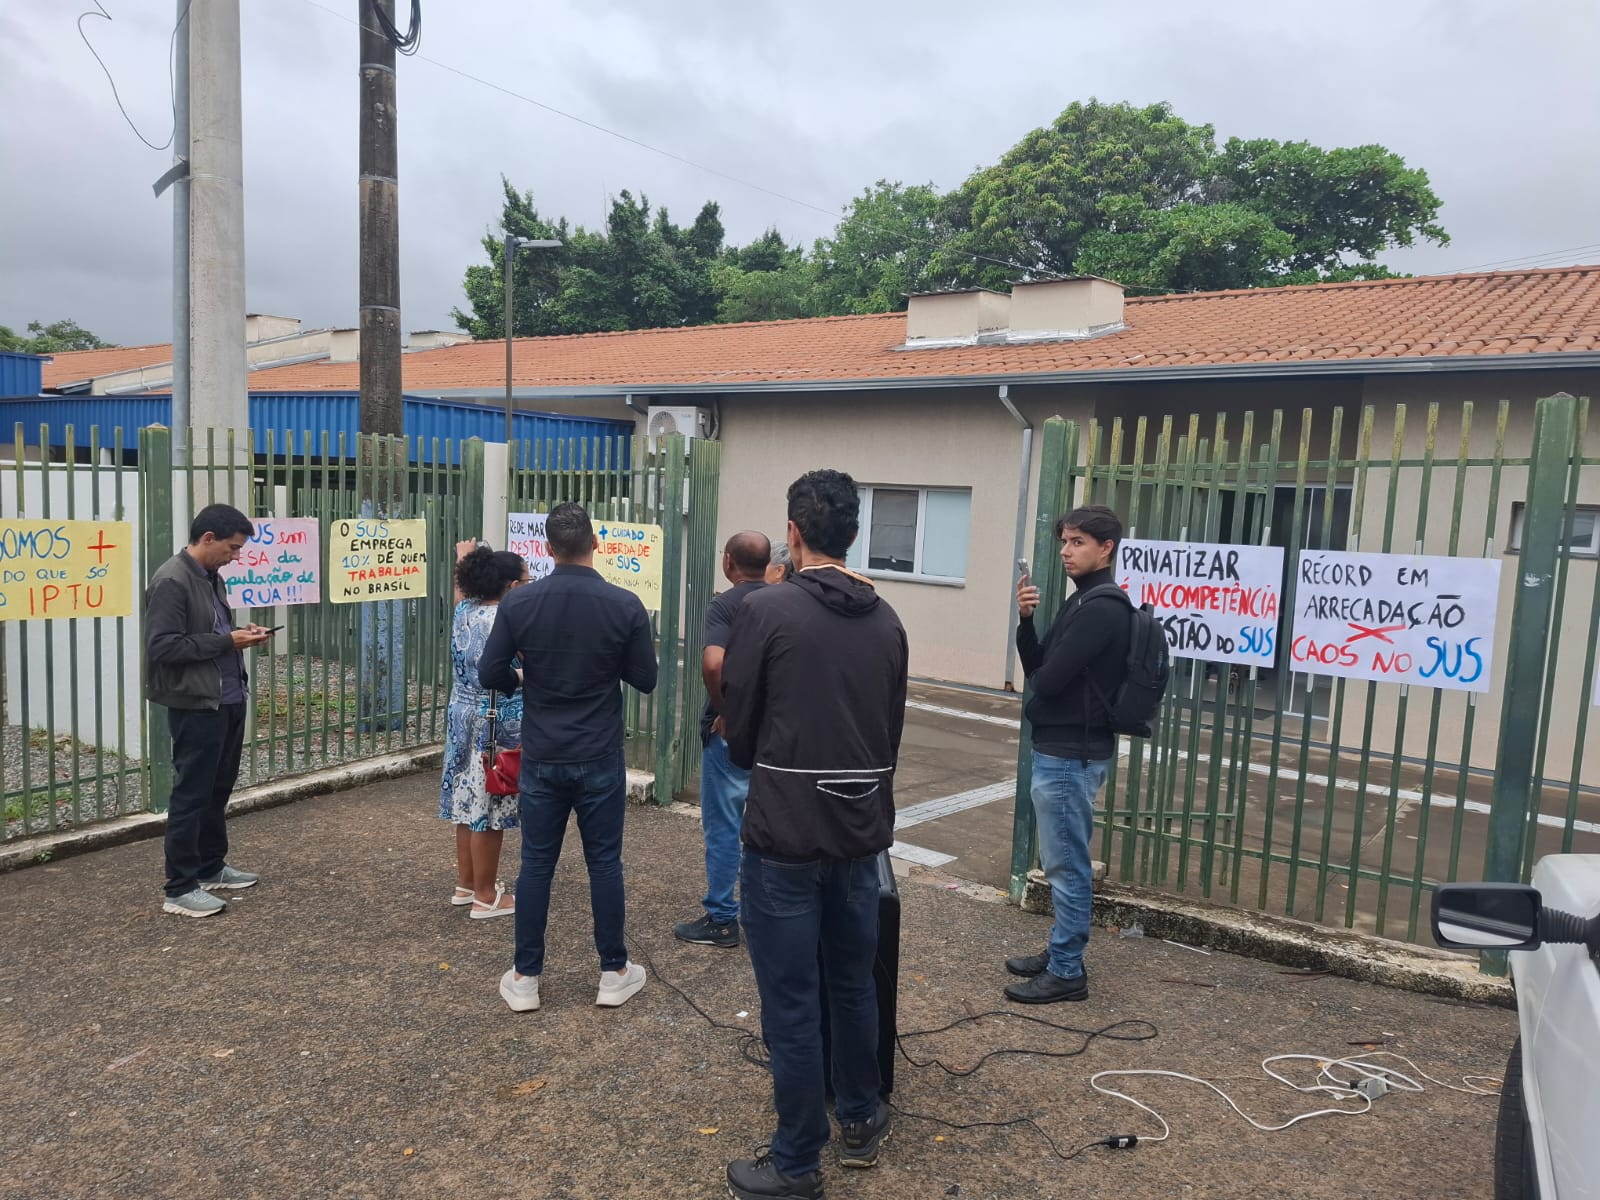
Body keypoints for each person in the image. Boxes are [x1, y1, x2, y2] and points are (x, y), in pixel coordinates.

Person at [720, 469, 908, 1200]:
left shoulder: (766, 611)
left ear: (793, 535)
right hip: (861, 834)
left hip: (785, 836)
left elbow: (739, 722)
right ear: (853, 534)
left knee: (792, 1002)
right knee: (853, 983)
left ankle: (797, 1162)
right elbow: (889, 728)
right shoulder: (888, 619)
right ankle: (860, 1118)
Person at [479, 502, 659, 1012]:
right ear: (595, 542)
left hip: (542, 752)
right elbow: (645, 678)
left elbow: (490, 672)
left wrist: (524, 675)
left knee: (536, 863)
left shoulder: (519, 603)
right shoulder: (625, 605)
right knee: (604, 862)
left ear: (549, 548)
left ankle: (526, 977)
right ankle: (613, 971)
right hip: (599, 750)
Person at [1006, 504, 1132, 1004]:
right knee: (1061, 860)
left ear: (1107, 548)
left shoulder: (1101, 608)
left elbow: (1048, 681)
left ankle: (1066, 971)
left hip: (1070, 755)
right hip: (1064, 750)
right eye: (1064, 542)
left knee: (1068, 865)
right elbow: (1040, 665)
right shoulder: (1081, 602)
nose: (1065, 551)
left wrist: (1043, 678)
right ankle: (1062, 952)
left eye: (1078, 542)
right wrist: (1026, 620)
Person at [144, 504, 274, 918]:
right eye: (233, 549)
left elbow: (213, 632)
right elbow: (163, 647)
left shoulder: (209, 577)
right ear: (207, 539)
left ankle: (211, 866)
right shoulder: (172, 580)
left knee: (218, 789)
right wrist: (226, 643)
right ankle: (179, 888)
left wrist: (242, 635)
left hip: (226, 697)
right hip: (196, 703)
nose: (236, 557)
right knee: (192, 794)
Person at [671, 531, 770, 948]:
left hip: (731, 736)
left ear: (728, 562)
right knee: (765, 829)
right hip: (772, 737)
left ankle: (722, 916)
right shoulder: (780, 602)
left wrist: (727, 712)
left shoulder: (726, 605)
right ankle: (764, 913)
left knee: (724, 827)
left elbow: (713, 663)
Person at [440, 541, 529, 919]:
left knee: (466, 802)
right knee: (489, 808)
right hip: (495, 721)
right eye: (526, 580)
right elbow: (517, 669)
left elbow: (462, 588)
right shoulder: (506, 621)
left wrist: (462, 559)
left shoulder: (464, 610)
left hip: (461, 714)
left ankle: (467, 883)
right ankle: (486, 895)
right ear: (510, 586)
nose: (530, 586)